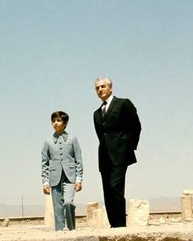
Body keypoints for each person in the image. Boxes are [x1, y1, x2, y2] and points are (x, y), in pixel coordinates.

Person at [93, 77, 141, 228]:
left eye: (103, 86)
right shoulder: (96, 113)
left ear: (110, 88)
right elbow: (102, 136)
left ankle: (121, 227)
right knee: (107, 192)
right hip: (104, 157)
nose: (100, 90)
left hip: (120, 155)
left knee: (116, 188)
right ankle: (114, 226)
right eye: (97, 88)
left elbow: (136, 126)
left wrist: (128, 147)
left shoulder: (123, 103)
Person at [41, 111, 83, 231]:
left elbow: (78, 159)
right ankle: (59, 231)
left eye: (58, 120)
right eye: (53, 121)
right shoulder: (48, 141)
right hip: (54, 178)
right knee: (57, 208)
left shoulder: (72, 138)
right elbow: (44, 163)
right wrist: (45, 182)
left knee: (68, 203)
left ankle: (71, 229)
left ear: (65, 123)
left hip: (70, 177)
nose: (55, 123)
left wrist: (79, 179)